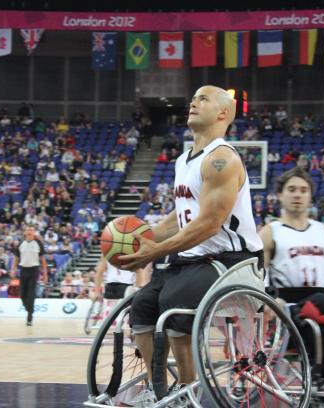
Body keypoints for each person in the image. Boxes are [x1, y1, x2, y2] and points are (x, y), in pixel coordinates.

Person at [120, 85, 263, 403]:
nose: (194, 102)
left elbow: (209, 224)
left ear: (223, 113)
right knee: (142, 305)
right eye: (194, 98)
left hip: (231, 259)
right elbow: (182, 215)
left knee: (173, 301)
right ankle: (154, 387)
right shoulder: (184, 160)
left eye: (204, 99)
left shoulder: (222, 159)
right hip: (193, 260)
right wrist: (143, 238)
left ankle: (187, 390)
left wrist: (156, 251)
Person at [259, 167, 324, 391]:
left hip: (323, 299)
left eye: (303, 190)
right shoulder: (270, 231)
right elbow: (259, 274)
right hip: (290, 306)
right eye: (292, 189)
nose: (298, 195)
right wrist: (269, 301)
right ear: (280, 195)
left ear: (310, 196)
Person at [11, 227, 47, 326]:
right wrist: (13, 269)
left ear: (34, 232)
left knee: (31, 293)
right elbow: (16, 258)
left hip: (34, 270)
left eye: (32, 230)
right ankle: (29, 309)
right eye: (28, 230)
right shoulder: (21, 244)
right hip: (23, 270)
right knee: (22, 295)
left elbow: (43, 260)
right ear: (25, 232)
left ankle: (29, 316)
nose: (30, 231)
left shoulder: (38, 243)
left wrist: (45, 274)